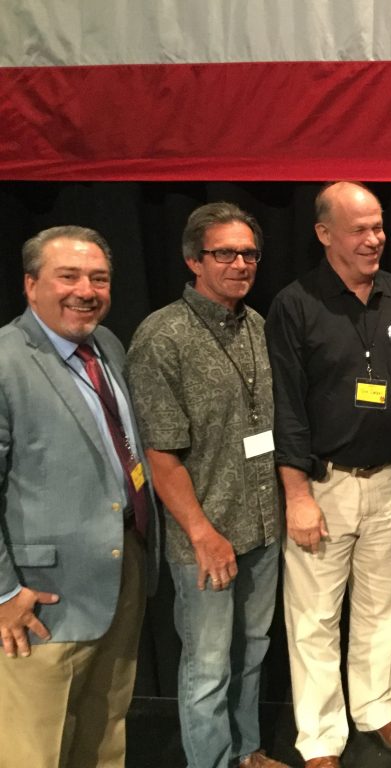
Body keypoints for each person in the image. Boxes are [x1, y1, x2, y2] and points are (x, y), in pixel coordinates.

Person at [265, 182, 391, 768]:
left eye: (378, 226)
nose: (374, 239)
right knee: (313, 617)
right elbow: (286, 405)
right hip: (323, 485)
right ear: (324, 233)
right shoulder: (295, 303)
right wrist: (297, 493)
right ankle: (321, 736)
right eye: (359, 229)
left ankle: (378, 707)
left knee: (386, 603)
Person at [126, 203, 287, 768]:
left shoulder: (259, 326)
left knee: (253, 652)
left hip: (265, 529)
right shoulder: (161, 337)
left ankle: (247, 752)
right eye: (225, 253)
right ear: (194, 260)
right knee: (208, 666)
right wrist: (200, 532)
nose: (240, 263)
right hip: (206, 538)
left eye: (248, 253)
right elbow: (159, 452)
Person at [0, 226, 159, 767]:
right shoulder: (5, 361)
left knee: (104, 730)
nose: (85, 290)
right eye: (67, 276)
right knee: (34, 749)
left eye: (99, 278)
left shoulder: (107, 345)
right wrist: (2, 595)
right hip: (40, 598)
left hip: (120, 569)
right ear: (30, 285)